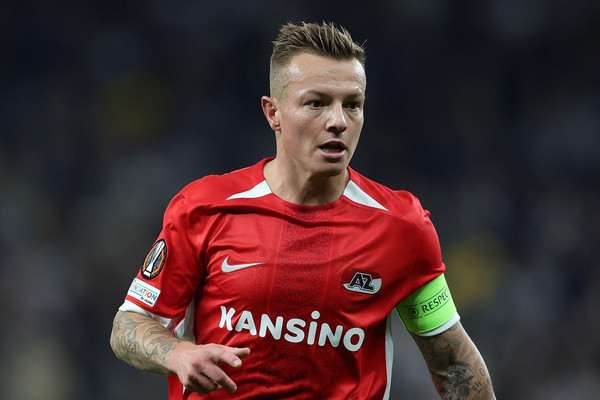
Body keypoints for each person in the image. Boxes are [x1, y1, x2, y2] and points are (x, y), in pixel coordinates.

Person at [110, 21, 496, 399]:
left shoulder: (403, 228)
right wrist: (178, 353)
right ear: (273, 113)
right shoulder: (205, 208)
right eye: (317, 103)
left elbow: (453, 365)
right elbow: (129, 325)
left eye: (353, 105)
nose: (338, 122)